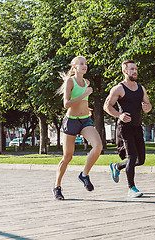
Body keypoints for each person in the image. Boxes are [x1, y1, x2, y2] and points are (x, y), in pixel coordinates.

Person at [53, 56, 103, 200]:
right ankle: (57, 186)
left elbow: (83, 101)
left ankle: (84, 174)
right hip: (71, 121)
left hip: (85, 120)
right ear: (74, 67)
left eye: (86, 63)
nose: (84, 66)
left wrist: (87, 108)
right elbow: (66, 104)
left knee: (98, 146)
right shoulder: (70, 81)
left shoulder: (86, 82)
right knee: (68, 156)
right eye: (81, 63)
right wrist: (84, 94)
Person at [103, 59, 152, 197]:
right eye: (131, 69)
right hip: (124, 128)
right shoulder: (118, 88)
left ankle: (117, 166)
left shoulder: (141, 88)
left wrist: (146, 107)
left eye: (135, 69)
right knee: (132, 156)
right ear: (124, 71)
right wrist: (119, 115)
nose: (134, 71)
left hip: (137, 127)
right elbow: (107, 106)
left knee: (140, 160)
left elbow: (148, 106)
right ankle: (131, 188)